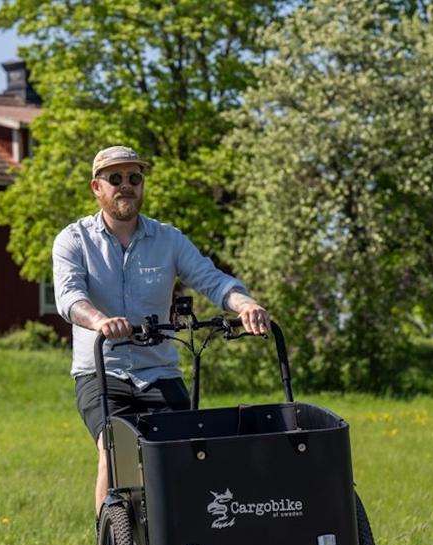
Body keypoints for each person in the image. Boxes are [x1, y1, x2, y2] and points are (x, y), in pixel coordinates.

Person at [52, 145, 271, 514]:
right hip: (102, 372)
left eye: (135, 178)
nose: (126, 186)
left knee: (186, 456)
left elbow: (210, 279)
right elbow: (69, 297)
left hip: (159, 372)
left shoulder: (168, 240)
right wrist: (100, 321)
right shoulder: (74, 240)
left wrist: (244, 304)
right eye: (115, 179)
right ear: (96, 188)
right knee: (114, 452)